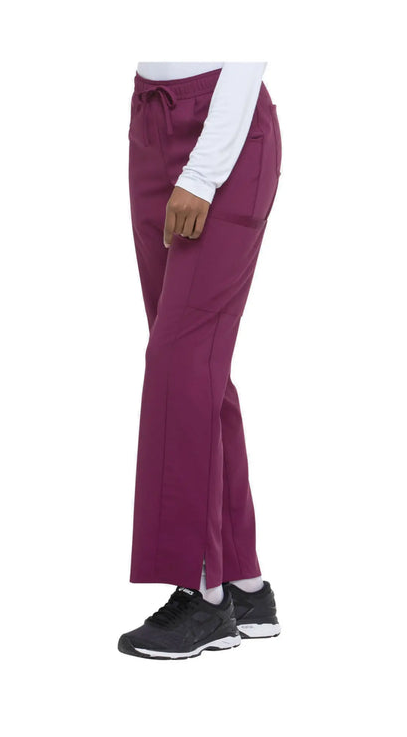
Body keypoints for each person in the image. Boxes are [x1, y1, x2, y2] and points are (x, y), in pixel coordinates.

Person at [118, 62, 282, 659]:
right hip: (151, 118)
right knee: (194, 363)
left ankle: (204, 594)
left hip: (223, 129)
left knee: (181, 358)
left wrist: (204, 172)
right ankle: (242, 582)